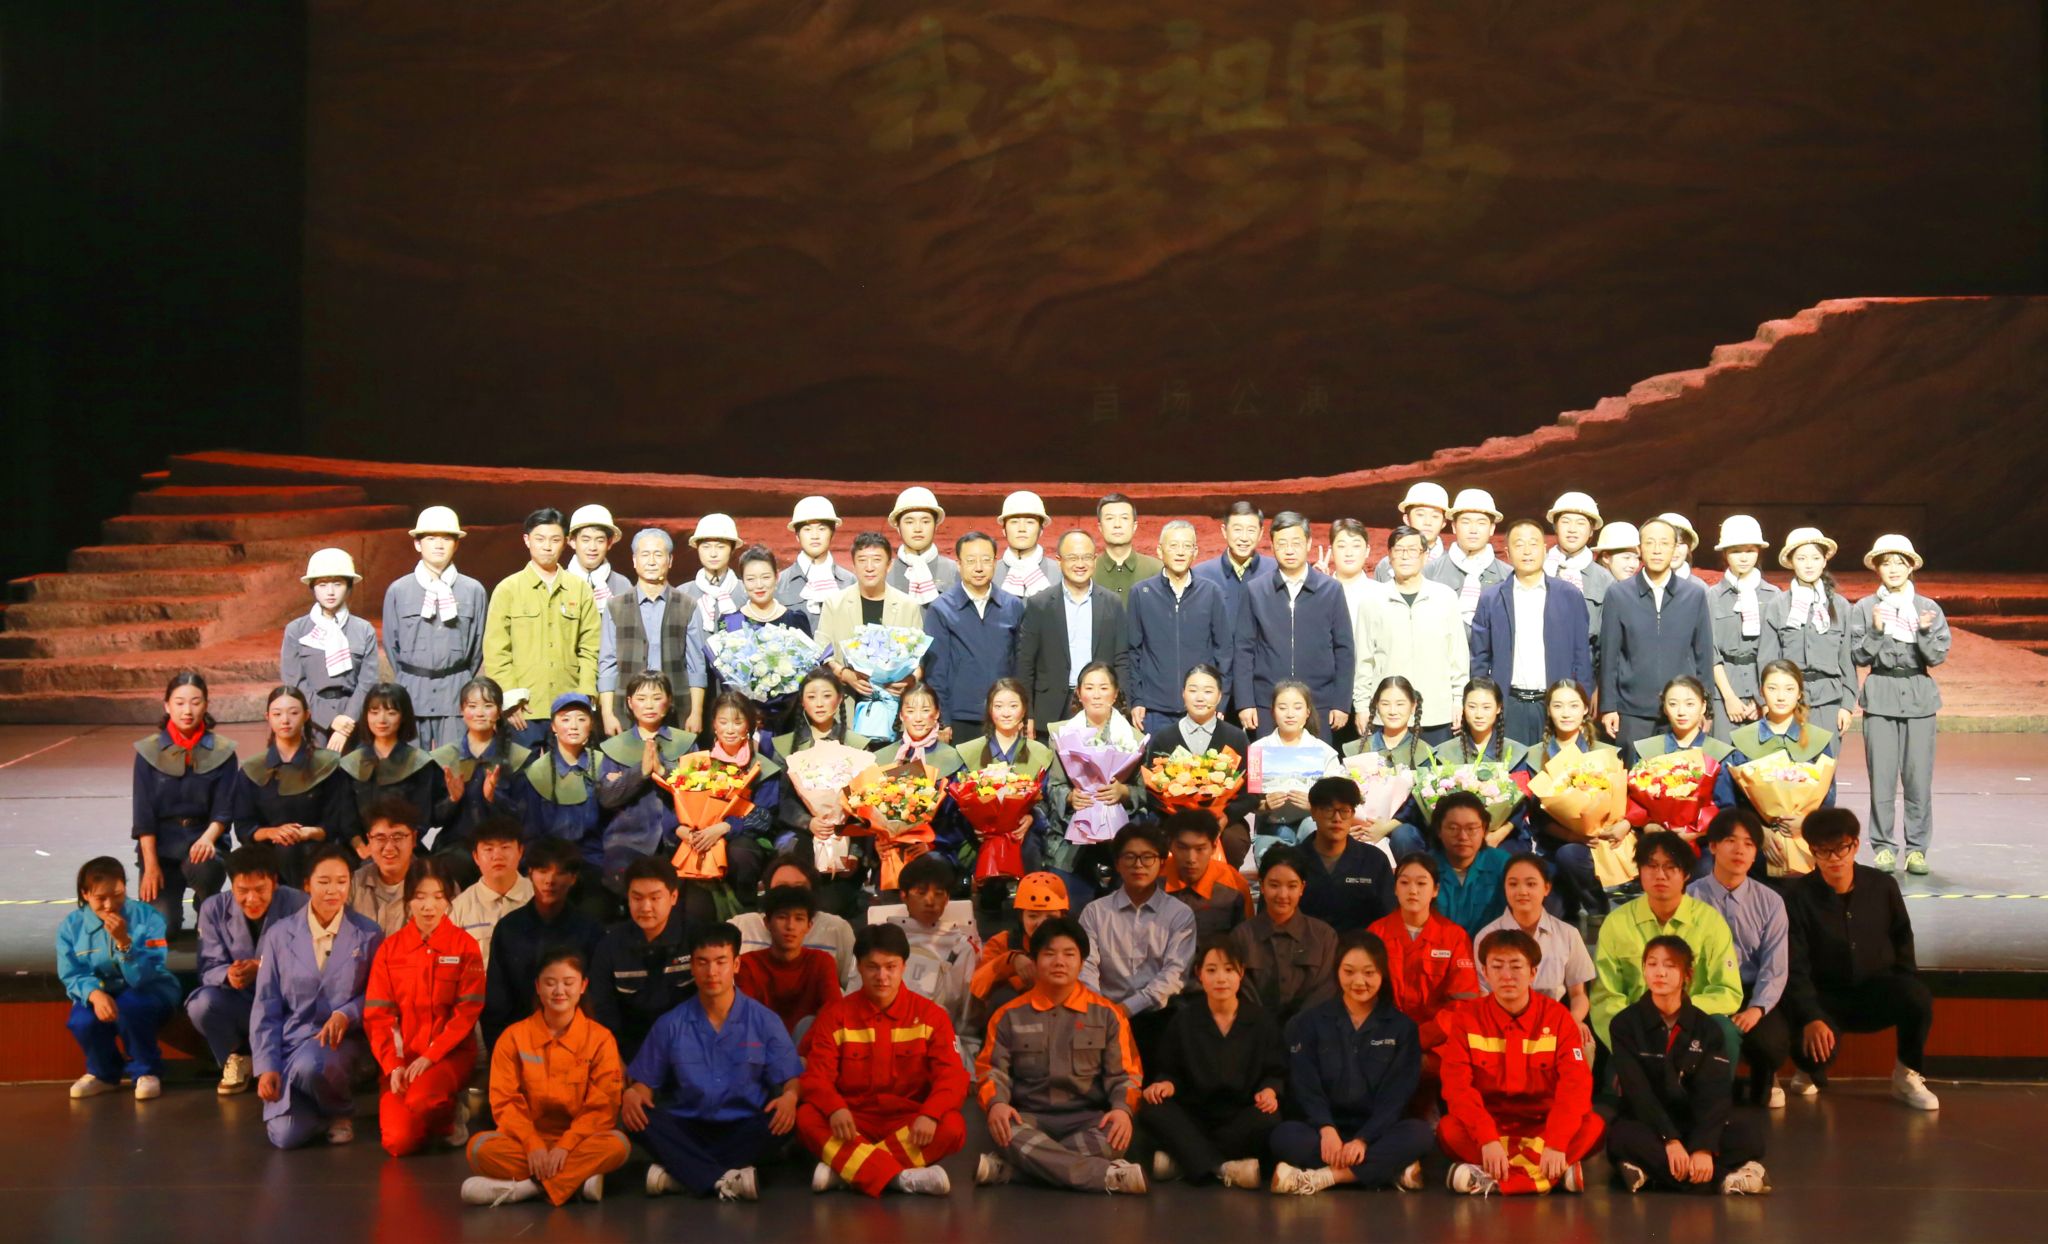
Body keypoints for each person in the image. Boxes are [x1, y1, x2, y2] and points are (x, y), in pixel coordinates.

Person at [626, 924, 804, 1201]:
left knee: (793, 1115)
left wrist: (790, 1097)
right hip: (687, 1125)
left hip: (744, 1124)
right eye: (703, 962)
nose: (711, 972)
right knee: (639, 1118)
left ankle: (684, 1176)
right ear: (692, 966)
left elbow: (791, 1079)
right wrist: (634, 1093)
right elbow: (644, 1084)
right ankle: (724, 1178)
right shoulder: (671, 1023)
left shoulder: (764, 1020)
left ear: (736, 965)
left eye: (721, 962)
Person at [975, 917, 1148, 1194]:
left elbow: (1126, 1075)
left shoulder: (1108, 1014)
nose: (1059, 962)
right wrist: (997, 1104)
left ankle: (1017, 1169)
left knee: (1115, 1136)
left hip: (1089, 1119)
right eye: (1049, 954)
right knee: (1006, 1130)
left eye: (1069, 954)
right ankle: (1104, 1175)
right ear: (1034, 961)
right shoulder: (1008, 1015)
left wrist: (1121, 1109)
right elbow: (991, 1071)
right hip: (1029, 1119)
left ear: (1081, 962)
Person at [1781, 808, 1939, 1109]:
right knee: (1811, 1056)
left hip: (1873, 991)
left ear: (1854, 845)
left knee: (1917, 998)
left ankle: (1906, 1075)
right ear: (1812, 852)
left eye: (1841, 848)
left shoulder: (1882, 886)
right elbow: (1794, 964)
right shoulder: (1797, 897)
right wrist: (1810, 1015)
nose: (1834, 858)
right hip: (1824, 998)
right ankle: (1808, 1068)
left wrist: (1905, 984)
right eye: (1823, 851)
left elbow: (1902, 938)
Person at [798, 922, 968, 1197]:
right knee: (807, 1117)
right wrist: (834, 1108)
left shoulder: (932, 1016)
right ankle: (901, 1178)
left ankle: (848, 1171)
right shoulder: (835, 1015)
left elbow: (953, 1077)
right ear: (859, 967)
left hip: (908, 1121)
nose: (882, 976)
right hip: (852, 1121)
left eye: (891, 967)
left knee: (951, 1127)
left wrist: (930, 1114)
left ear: (904, 966)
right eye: (872, 967)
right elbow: (817, 1076)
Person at [1438, 929, 1604, 1195]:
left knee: (1593, 1126)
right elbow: (1457, 1088)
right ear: (1484, 972)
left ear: (1533, 973)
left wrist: (1556, 1143)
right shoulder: (1466, 1018)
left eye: (1516, 966)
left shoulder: (1558, 1018)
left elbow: (1576, 1085)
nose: (1507, 976)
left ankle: (1493, 1179)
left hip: (1544, 1126)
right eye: (1497, 967)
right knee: (1448, 1130)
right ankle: (1551, 1175)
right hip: (1491, 1125)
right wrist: (1487, 1140)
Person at [1267, 931, 1435, 1194]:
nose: (1359, 981)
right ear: (1337, 972)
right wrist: (1327, 1129)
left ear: (1382, 974)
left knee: (1420, 1134)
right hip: (1324, 1132)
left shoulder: (1403, 1028)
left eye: (1369, 973)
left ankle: (1327, 1177)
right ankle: (1388, 1171)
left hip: (1378, 1133)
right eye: (1349, 972)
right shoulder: (1309, 1022)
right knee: (1284, 1136)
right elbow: (1306, 1085)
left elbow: (1396, 1097)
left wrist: (1363, 1140)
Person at [462, 949, 631, 1207]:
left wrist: (565, 1146)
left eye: (568, 982)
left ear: (583, 986)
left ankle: (527, 1188)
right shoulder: (513, 1037)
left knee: (618, 1145)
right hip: (526, 1143)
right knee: (478, 1148)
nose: (559, 991)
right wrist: (533, 1144)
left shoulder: (600, 1039)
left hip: (580, 1142)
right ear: (538, 987)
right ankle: (577, 1181)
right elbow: (504, 1102)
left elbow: (602, 1107)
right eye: (550, 983)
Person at [1607, 936, 1771, 1194]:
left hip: (1692, 1123)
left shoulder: (1708, 1028)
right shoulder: (1624, 1024)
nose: (1660, 972)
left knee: (1750, 1137)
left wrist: (1703, 1147)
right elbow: (1638, 1092)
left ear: (1687, 975)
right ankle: (1726, 1179)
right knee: (1620, 1138)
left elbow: (1715, 1093)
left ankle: (1652, 1171)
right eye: (1652, 964)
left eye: (1670, 965)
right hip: (1648, 1124)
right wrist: (1670, 1139)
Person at [252, 844, 384, 1148]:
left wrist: (346, 1013)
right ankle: (319, 1107)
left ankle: (341, 1111)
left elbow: (377, 993)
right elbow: (266, 1004)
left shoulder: (368, 933)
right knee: (285, 1137)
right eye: (324, 882)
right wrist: (266, 1065)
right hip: (292, 1041)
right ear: (307, 884)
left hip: (343, 1041)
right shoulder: (279, 934)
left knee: (312, 1065)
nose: (333, 890)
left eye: (341, 881)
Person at [1139, 938, 1286, 1189]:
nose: (1221, 979)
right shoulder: (1184, 1020)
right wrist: (1165, 1084)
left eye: (1229, 970)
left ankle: (1186, 1162)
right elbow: (1170, 1071)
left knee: (1269, 1118)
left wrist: (1270, 1091)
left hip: (1239, 1117)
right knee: (1153, 1108)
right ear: (1199, 974)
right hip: (1195, 1116)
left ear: (1241, 973)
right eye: (1211, 970)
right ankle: (1224, 1168)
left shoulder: (1261, 1020)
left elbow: (1275, 1071)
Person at [365, 857, 487, 1157]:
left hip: (449, 1055)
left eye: (438, 897)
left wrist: (431, 1056)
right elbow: (379, 1016)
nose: (429, 906)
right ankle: (435, 1116)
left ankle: (447, 1118)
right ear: (408, 900)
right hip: (404, 1058)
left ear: (449, 899)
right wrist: (393, 1065)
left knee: (424, 1100)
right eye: (420, 897)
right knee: (398, 1142)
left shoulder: (465, 946)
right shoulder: (390, 949)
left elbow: (466, 1013)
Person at [1589, 832, 1744, 1051]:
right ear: (1639, 871)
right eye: (1651, 866)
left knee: (1725, 1031)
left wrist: (1677, 1011)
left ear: (1686, 874)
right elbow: (1606, 997)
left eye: (1670, 867)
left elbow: (1727, 991)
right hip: (1637, 1029)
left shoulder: (1710, 922)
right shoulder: (1617, 923)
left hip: (1693, 1025)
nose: (1660, 875)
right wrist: (1635, 1032)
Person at [1853, 534, 1949, 874]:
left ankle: (1917, 849)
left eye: (1899, 562)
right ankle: (1883, 846)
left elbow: (1937, 656)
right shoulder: (1865, 607)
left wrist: (1923, 632)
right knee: (1881, 778)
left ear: (1911, 567)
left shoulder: (1928, 608)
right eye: (1886, 563)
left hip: (1919, 695)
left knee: (1917, 778)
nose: (1893, 569)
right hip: (1880, 694)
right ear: (1877, 568)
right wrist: (1877, 631)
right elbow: (1857, 655)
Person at [1687, 810, 1793, 1105]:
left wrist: (1757, 1009)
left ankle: (1765, 1077)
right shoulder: (1690, 897)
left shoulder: (1771, 901)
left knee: (1771, 1043)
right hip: (1706, 990)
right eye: (1731, 841)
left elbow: (1774, 966)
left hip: (1749, 990)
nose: (1740, 850)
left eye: (1748, 844)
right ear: (1713, 846)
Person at [188, 844, 309, 1095]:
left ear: (274, 882)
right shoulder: (213, 908)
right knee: (202, 1004)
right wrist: (228, 974)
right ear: (231, 885)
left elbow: (309, 964)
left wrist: (263, 968)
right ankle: (239, 1056)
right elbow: (208, 967)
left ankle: (284, 1056)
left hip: (285, 1004)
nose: (251, 899)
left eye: (260, 889)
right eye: (242, 891)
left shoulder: (299, 903)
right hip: (241, 1000)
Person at [58, 857, 180, 1102]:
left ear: (125, 887)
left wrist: (124, 943)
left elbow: (144, 976)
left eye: (117, 895)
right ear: (85, 894)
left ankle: (146, 1071)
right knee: (82, 1021)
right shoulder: (71, 926)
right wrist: (95, 994)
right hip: (100, 991)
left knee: (130, 1008)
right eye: (100, 898)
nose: (110, 905)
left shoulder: (148, 917)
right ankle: (103, 1073)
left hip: (149, 988)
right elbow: (72, 973)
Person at [132, 670, 238, 936]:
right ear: (167, 706)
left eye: (195, 702)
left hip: (204, 842)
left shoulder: (223, 751)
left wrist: (208, 839)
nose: (187, 710)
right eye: (179, 703)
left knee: (204, 865)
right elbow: (143, 816)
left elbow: (224, 810)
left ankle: (206, 903)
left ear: (206, 705)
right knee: (160, 928)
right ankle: (172, 907)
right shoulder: (148, 752)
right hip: (162, 848)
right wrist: (150, 866)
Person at [483, 508, 601, 748]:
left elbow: (591, 647)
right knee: (523, 771)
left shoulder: (579, 589)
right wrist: (509, 699)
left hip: (569, 708)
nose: (547, 546)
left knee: (570, 771)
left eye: (555, 540)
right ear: (527, 540)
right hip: (524, 709)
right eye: (540, 539)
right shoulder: (508, 589)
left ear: (566, 542)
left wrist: (584, 696)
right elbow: (496, 650)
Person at [1470, 519, 1593, 744]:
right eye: (1519, 544)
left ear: (1545, 550)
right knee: (1510, 764)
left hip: (1556, 707)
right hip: (1510, 705)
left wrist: (1581, 709)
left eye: (1533, 544)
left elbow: (1582, 657)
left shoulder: (1569, 595)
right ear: (1507, 553)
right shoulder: (1491, 598)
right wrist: (1483, 704)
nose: (1527, 551)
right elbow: (1480, 657)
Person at [1080, 821, 1198, 1056]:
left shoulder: (1179, 914)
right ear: (1117, 863)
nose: (1138, 865)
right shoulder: (1095, 912)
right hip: (1102, 1014)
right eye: (1130, 857)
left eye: (1147, 857)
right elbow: (1086, 966)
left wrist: (1127, 1009)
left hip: (1159, 1016)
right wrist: (1102, 1009)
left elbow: (1175, 974)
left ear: (1161, 863)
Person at [1233, 511, 1354, 739]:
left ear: (1308, 543)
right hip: (1268, 704)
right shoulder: (1256, 590)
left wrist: (1341, 702)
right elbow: (1243, 649)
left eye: (1296, 543)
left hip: (1319, 703)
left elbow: (1344, 649)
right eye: (1282, 544)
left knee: (1318, 762)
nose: (1289, 550)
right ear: (1272, 546)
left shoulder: (1331, 590)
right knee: (1268, 762)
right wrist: (1245, 702)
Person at [1599, 518, 1716, 750]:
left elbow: (1703, 655)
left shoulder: (1693, 595)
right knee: (1634, 772)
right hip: (1632, 711)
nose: (1657, 549)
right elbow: (1609, 656)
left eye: (1664, 543)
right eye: (1650, 543)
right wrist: (1609, 706)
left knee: (1682, 772)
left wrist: (1706, 708)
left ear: (1675, 548)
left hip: (1681, 710)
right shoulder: (1619, 594)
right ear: (1639, 548)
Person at [482, 837, 604, 1056]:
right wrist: (502, 1052)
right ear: (530, 873)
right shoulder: (509, 928)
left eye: (560, 873)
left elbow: (597, 999)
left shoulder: (590, 930)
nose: (550, 880)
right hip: (516, 1044)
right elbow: (496, 1001)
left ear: (573, 878)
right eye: (543, 871)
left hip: (576, 1046)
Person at [382, 506, 487, 750]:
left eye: (446, 538)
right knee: (410, 764)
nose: (439, 545)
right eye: (431, 538)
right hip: (411, 691)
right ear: (417, 544)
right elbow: (391, 644)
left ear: (456, 544)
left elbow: (477, 647)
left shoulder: (473, 591)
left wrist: (456, 677)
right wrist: (412, 676)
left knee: (453, 762)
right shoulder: (399, 590)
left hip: (455, 693)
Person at [1367, 854, 1479, 1080]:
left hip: (1437, 1046)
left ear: (1435, 890)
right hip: (1383, 1041)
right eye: (1404, 882)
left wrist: (1420, 1039)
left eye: (1421, 883)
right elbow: (1364, 997)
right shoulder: (1376, 934)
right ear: (1395, 888)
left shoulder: (1454, 937)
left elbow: (1463, 1004)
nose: (1413, 890)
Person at [1036, 661, 1142, 899]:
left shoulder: (1133, 738)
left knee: (1128, 887)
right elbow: (1053, 786)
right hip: (1072, 827)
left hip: (1119, 829)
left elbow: (1143, 791)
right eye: (1089, 688)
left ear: (1115, 694)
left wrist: (1123, 792)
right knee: (1069, 898)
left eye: (1103, 688)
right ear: (1079, 693)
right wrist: (1070, 797)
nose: (1096, 695)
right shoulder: (1061, 733)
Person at [1358, 524, 1467, 744]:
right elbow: (1364, 659)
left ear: (1425, 556)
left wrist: (1459, 699)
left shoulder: (1445, 597)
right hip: (1388, 715)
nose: (1405, 556)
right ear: (1389, 556)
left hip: (1438, 713)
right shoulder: (1372, 600)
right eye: (1399, 550)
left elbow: (1458, 656)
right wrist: (1361, 706)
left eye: (1412, 550)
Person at [1017, 528, 1130, 736]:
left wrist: (1124, 708)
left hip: (1098, 704)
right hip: (1050, 707)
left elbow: (1122, 659)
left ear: (1095, 559)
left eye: (1086, 557)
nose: (1080, 564)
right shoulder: (1039, 605)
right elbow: (1025, 664)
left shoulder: (1112, 603)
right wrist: (1027, 714)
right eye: (1072, 558)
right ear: (1059, 560)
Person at [1527, 679, 1624, 920]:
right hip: (1553, 844)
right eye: (1558, 706)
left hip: (1597, 843)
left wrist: (1620, 826)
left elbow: (1623, 802)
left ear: (1585, 709)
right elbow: (1538, 818)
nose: (1566, 713)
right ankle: (1569, 899)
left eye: (1573, 705)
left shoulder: (1604, 752)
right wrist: (1573, 835)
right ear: (1548, 710)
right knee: (1552, 912)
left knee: (1571, 855)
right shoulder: (1534, 755)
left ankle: (1597, 905)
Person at [1477, 855, 1595, 1051]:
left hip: (1552, 1023)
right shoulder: (1486, 936)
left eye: (1531, 884)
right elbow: (1483, 993)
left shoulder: (1568, 934)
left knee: (1584, 1043)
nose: (1522, 891)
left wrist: (1572, 1021)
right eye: (1513, 884)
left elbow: (1578, 995)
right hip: (1501, 1025)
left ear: (1546, 888)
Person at [1127, 521, 1235, 731]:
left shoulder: (1211, 592)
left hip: (1201, 707)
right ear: (1160, 551)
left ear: (1195, 552)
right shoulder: (1141, 593)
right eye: (1173, 546)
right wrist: (1137, 699)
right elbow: (1133, 651)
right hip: (1154, 710)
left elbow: (1224, 651)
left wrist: (1221, 700)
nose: (1180, 552)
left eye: (1187, 546)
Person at [1141, 665, 1256, 862]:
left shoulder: (1236, 737)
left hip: (1224, 820)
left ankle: (1225, 882)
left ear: (1219, 697)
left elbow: (1252, 792)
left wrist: (1226, 816)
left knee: (1234, 840)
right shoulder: (1164, 737)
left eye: (1208, 691)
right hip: (1173, 820)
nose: (1200, 697)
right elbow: (1150, 792)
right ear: (1183, 694)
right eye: (1193, 690)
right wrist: (1176, 815)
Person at [594, 671, 698, 888]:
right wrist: (639, 772)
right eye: (641, 699)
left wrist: (663, 771)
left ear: (669, 700)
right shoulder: (615, 747)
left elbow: (698, 792)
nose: (649, 705)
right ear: (630, 703)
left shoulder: (686, 743)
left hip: (679, 838)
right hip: (628, 841)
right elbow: (607, 798)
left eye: (657, 698)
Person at [588, 857, 697, 1063]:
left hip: (687, 1047)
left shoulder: (695, 939)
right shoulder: (610, 946)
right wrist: (616, 1057)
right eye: (637, 898)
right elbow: (603, 1008)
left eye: (655, 898)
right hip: (630, 1050)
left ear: (673, 897)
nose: (646, 907)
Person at [921, 530, 1023, 744]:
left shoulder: (1012, 605)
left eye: (986, 560)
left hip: (1005, 716)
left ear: (995, 563)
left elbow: (1020, 664)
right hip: (960, 717)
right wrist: (943, 719)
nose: (979, 567)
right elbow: (936, 671)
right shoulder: (941, 609)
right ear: (958, 564)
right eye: (970, 561)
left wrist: (1021, 711)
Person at [1717, 660, 1840, 838]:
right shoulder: (1743, 740)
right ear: (1761, 692)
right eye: (1772, 688)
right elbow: (1729, 801)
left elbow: (1827, 800)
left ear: (1799, 694)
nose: (1781, 697)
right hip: (1754, 840)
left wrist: (1806, 824)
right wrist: (1759, 832)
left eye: (1789, 689)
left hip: (1806, 837)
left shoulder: (1817, 739)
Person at [1757, 526, 1855, 742]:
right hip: (1788, 702)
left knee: (1826, 762)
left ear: (1824, 561)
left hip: (1829, 701)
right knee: (1790, 761)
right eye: (1801, 558)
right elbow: (1767, 659)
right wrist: (1766, 702)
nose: (1809, 564)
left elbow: (1846, 660)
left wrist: (1847, 706)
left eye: (1815, 558)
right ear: (1791, 562)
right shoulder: (1778, 605)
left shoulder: (1841, 606)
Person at [281, 547, 383, 751]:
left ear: (349, 586)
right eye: (322, 584)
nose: (330, 591)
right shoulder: (296, 630)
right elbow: (295, 681)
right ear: (312, 588)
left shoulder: (363, 630)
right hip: (312, 719)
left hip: (354, 719)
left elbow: (368, 682)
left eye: (337, 584)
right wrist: (330, 719)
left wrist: (346, 722)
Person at [597, 528, 694, 736]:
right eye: (645, 554)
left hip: (676, 708)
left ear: (670, 560)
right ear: (634, 560)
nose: (651, 561)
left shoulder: (687, 605)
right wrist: (607, 713)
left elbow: (696, 666)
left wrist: (696, 712)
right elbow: (607, 663)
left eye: (658, 554)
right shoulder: (615, 606)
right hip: (626, 710)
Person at [338, 683, 450, 860]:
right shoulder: (350, 763)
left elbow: (423, 817)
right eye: (374, 712)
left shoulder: (420, 763)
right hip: (361, 852)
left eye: (391, 713)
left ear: (403, 716)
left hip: (407, 850)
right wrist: (361, 847)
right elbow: (346, 816)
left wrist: (397, 845)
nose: (381, 720)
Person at [428, 676, 532, 861]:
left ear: (499, 711)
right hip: (455, 848)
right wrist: (452, 800)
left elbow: (524, 817)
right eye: (472, 706)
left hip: (501, 848)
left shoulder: (518, 757)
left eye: (488, 706)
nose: (480, 713)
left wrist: (493, 798)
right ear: (461, 710)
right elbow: (433, 819)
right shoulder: (445, 757)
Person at [1230, 846, 1336, 1024]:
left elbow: (1323, 992)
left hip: (1310, 1031)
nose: (1282, 895)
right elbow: (1243, 994)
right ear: (1262, 886)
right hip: (1256, 1032)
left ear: (1302, 888)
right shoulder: (1242, 937)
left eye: (1292, 886)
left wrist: (1297, 1028)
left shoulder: (1324, 937)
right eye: (1274, 885)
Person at [1624, 676, 1733, 850]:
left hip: (1704, 843)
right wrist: (1648, 825)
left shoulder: (1718, 753)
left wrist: (1697, 832)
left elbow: (1726, 809)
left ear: (1703, 706)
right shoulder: (1648, 750)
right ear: (1664, 708)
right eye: (1673, 704)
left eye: (1690, 704)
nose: (1681, 712)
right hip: (1654, 840)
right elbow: (1635, 800)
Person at [728, 852, 863, 984]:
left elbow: (854, 984)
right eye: (782, 887)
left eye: (799, 888)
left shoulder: (836, 929)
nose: (790, 895)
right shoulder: (741, 926)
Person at [819, 531, 925, 697]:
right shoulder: (834, 604)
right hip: (847, 698)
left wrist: (910, 680)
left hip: (894, 698)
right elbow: (822, 653)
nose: (869, 567)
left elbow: (919, 659)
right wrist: (845, 675)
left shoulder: (908, 605)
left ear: (889, 565)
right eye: (862, 560)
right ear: (853, 565)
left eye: (877, 560)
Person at [885, 852, 980, 1033]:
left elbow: (966, 1014)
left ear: (947, 899)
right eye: (921, 893)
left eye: (938, 894)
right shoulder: (881, 940)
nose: (930, 901)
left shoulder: (961, 947)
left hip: (940, 1034)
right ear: (903, 895)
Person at [1246, 681, 1341, 858]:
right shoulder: (1258, 750)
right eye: (1282, 708)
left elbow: (1338, 801)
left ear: (1307, 712)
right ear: (1273, 712)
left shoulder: (1324, 752)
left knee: (1315, 842)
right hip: (1271, 826)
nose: (1290, 714)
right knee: (1271, 861)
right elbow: (1246, 801)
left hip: (1312, 823)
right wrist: (1264, 805)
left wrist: (1315, 806)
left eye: (1297, 708)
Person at [1437, 680, 1535, 850]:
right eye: (1472, 706)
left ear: (1498, 708)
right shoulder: (1446, 752)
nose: (1479, 714)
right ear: (1463, 708)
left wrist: (1499, 834)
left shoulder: (1516, 752)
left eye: (1486, 707)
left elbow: (1522, 803)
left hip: (1506, 835)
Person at [1706, 515, 1780, 742]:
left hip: (1764, 693)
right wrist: (1729, 698)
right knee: (1723, 759)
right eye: (1736, 551)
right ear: (1725, 554)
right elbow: (1710, 652)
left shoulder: (1774, 596)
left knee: (1762, 761)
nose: (1744, 557)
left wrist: (1763, 699)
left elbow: (1776, 651)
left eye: (1750, 550)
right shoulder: (1712, 596)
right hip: (1724, 693)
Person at [516, 692, 607, 874]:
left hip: (595, 862)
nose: (573, 726)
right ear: (553, 726)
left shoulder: (604, 764)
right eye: (565, 719)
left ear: (591, 724)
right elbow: (531, 834)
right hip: (550, 864)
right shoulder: (537, 772)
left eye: (581, 719)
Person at [971, 870, 1070, 1032]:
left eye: (1050, 917)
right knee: (1003, 997)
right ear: (1020, 917)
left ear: (1062, 917)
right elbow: (976, 987)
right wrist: (1010, 960)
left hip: (1059, 1025)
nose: (1041, 923)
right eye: (1033, 916)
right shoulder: (1003, 942)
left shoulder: (1072, 946)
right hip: (1009, 1029)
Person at [737, 885, 841, 1037]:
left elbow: (833, 1011)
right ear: (767, 923)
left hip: (809, 1046)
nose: (790, 926)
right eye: (782, 917)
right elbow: (745, 1017)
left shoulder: (821, 962)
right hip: (762, 1045)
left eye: (799, 919)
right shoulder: (748, 964)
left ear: (809, 926)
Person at [1297, 776, 1397, 932]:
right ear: (1314, 812)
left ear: (1352, 814)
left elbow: (1388, 918)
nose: (1337, 818)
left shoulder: (1374, 860)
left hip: (1361, 945)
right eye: (1329, 810)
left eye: (1344, 811)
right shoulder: (1292, 861)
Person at [1344, 677, 1430, 856]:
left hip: (1403, 828)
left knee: (1404, 835)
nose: (1392, 711)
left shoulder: (1425, 753)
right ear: (1376, 705)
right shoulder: (1355, 749)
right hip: (1361, 826)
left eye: (1400, 704)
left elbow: (1419, 805)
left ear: (1413, 706)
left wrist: (1385, 828)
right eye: (1385, 704)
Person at [447, 817, 531, 971]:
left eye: (505, 847)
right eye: (488, 849)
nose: (497, 856)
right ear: (476, 857)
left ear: (520, 851)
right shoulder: (459, 908)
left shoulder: (540, 898)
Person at [1161, 808, 1253, 939]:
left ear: (1214, 847)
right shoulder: (1153, 880)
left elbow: (1246, 940)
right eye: (1182, 848)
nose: (1191, 859)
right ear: (1170, 845)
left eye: (1200, 849)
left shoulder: (1234, 884)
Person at [1427, 489, 1509, 635]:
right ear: (1454, 526)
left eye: (1481, 523)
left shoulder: (1508, 576)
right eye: (1465, 522)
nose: (1473, 530)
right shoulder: (1430, 572)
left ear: (1492, 528)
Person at [1430, 791, 1511, 937]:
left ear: (1484, 829)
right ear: (1439, 830)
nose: (1463, 836)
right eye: (1453, 828)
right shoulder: (1425, 867)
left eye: (1471, 828)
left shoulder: (1503, 864)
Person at [1544, 492, 1614, 643]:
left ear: (1591, 530)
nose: (1572, 529)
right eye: (1565, 522)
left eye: (1580, 523)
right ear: (1555, 526)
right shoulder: (1538, 569)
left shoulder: (1605, 580)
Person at [348, 796, 419, 934]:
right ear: (369, 840)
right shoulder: (353, 884)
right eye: (380, 838)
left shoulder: (437, 884)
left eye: (398, 837)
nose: (389, 848)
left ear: (414, 839)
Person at [777, 495, 855, 619]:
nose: (815, 536)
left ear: (832, 533)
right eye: (807, 529)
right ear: (797, 536)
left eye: (822, 529)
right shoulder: (780, 583)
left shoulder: (849, 582)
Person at [1193, 500, 1271, 619]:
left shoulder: (1274, 572)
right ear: (1224, 531)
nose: (1244, 538)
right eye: (1237, 530)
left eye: (1251, 530)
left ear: (1260, 533)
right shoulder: (1201, 575)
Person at [886, 486, 960, 604]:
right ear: (898, 527)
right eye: (909, 522)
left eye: (925, 521)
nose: (918, 529)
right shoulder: (885, 571)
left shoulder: (954, 571)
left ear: (936, 526)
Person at [677, 513, 742, 638]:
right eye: (706, 547)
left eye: (720, 547)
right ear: (697, 549)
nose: (713, 554)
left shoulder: (745, 592)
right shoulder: (682, 594)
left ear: (732, 549)